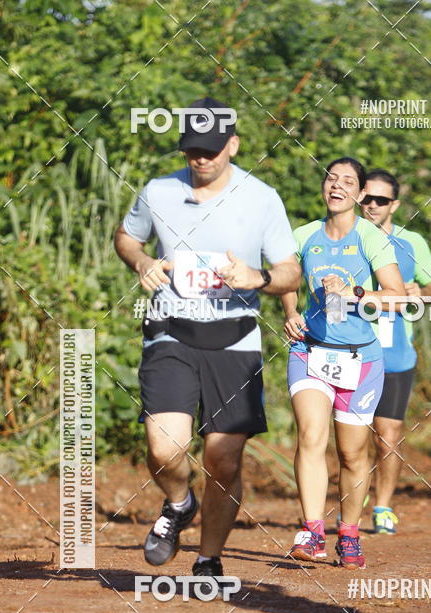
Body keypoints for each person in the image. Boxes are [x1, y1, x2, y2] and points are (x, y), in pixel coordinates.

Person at [115, 97, 300, 585]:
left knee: (223, 457)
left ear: (233, 144)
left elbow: (290, 270)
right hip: (170, 332)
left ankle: (208, 558)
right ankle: (179, 502)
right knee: (163, 447)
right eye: (192, 150)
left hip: (234, 342)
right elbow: (127, 237)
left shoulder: (262, 198)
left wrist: (256, 277)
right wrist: (142, 263)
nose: (201, 159)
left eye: (212, 150)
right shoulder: (158, 191)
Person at [282, 157, 406, 569]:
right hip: (311, 349)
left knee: (353, 455)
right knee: (310, 435)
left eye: (347, 181)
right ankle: (312, 530)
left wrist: (353, 294)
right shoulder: (304, 235)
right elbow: (287, 278)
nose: (336, 186)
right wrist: (290, 311)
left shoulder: (370, 237)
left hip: (360, 358)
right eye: (331, 178)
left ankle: (348, 533)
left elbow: (397, 294)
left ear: (358, 193)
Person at [360, 169, 431, 534]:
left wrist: (421, 294)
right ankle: (350, 504)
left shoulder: (411, 242)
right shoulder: (342, 236)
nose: (372, 205)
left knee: (388, 435)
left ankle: (382, 507)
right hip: (348, 351)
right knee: (351, 439)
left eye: (381, 199)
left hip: (395, 353)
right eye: (366, 197)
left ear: (394, 204)